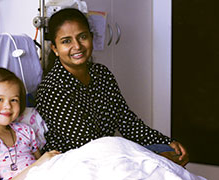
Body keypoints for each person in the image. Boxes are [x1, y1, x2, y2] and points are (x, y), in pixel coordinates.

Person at [36, 8, 189, 167]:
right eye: (66, 41)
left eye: (82, 37)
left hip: (111, 153)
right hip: (77, 163)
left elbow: (127, 121)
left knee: (170, 151)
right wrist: (153, 156)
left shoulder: (101, 74)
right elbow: (88, 146)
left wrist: (167, 141)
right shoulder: (51, 89)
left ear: (91, 37)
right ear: (55, 48)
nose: (77, 46)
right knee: (160, 163)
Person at [0, 67, 60, 180]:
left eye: (13, 100)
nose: (8, 106)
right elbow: (39, 164)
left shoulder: (25, 131)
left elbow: (43, 165)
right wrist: (37, 165)